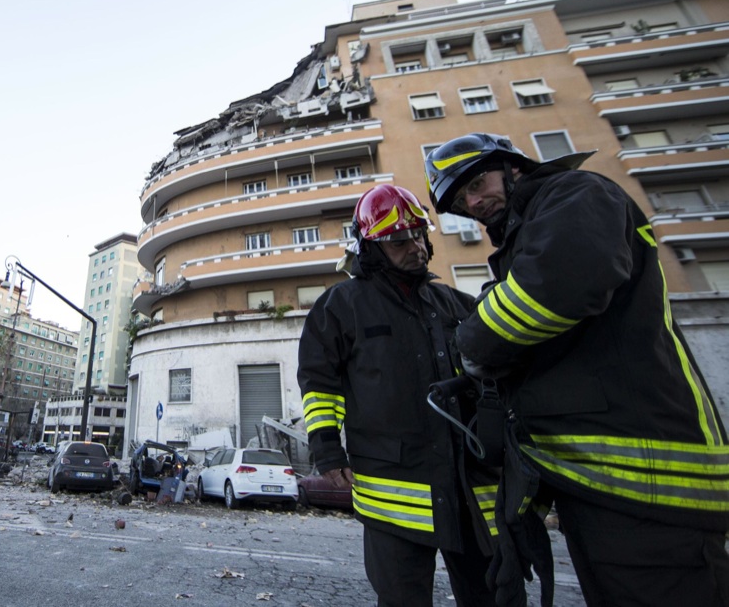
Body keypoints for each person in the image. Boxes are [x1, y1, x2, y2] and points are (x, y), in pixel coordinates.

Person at [425, 132, 729, 606]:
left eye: (478, 183)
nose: (474, 201)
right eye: (463, 199)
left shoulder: (576, 193)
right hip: (604, 486)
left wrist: (472, 341)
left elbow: (556, 286)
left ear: (513, 166)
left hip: (648, 485)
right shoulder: (532, 227)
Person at [297, 184, 499, 607]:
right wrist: (329, 453)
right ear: (371, 248)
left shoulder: (453, 303)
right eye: (398, 240)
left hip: (470, 488)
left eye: (419, 236)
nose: (416, 248)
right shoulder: (341, 305)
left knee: (492, 597)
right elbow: (319, 384)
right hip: (394, 493)